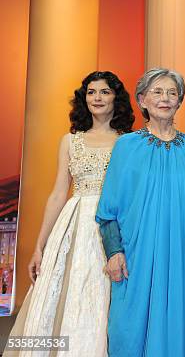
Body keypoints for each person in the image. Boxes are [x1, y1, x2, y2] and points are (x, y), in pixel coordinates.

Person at [4, 71, 134, 356]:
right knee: (66, 292)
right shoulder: (70, 141)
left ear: (116, 99)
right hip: (74, 223)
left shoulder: (129, 142)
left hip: (116, 224)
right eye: (91, 92)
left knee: (107, 295)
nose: (97, 98)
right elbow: (57, 193)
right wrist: (40, 245)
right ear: (83, 99)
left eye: (104, 92)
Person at [96, 68, 185, 357]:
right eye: (158, 92)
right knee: (127, 329)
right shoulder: (126, 147)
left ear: (180, 101)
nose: (165, 98)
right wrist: (114, 252)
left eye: (172, 93)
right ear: (142, 100)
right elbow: (108, 209)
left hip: (182, 257)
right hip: (135, 258)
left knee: (177, 330)